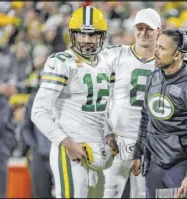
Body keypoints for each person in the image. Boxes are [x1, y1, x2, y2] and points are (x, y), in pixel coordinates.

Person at [31, 6, 119, 198]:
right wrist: (67, 142)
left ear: (102, 36)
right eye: (81, 34)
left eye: (93, 34)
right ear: (72, 35)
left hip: (99, 151)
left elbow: (102, 108)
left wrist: (110, 133)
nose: (87, 40)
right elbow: (38, 112)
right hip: (72, 148)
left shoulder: (106, 63)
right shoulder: (62, 61)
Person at [131, 28, 187, 198]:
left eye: (162, 48)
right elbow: (145, 118)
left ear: (178, 54)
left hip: (181, 165)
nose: (155, 52)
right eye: (156, 46)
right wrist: (138, 153)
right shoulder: (154, 77)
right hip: (154, 162)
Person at [103, 8, 161, 198]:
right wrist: (106, 131)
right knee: (109, 192)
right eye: (140, 28)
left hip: (151, 141)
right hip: (118, 138)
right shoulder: (116, 55)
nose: (143, 33)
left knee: (144, 194)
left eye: (149, 29)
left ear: (158, 31)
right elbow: (102, 95)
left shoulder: (166, 60)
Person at [21, 91, 54, 198]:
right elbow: (26, 127)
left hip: (63, 154)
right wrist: (34, 146)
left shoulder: (68, 96)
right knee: (40, 193)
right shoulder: (33, 99)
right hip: (39, 155)